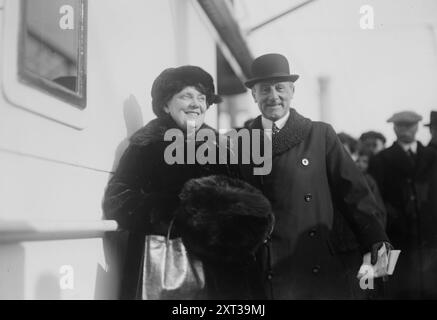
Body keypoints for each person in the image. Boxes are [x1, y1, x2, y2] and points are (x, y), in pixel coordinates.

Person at [102, 66, 272, 300]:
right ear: (165, 104)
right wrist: (178, 213)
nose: (196, 104)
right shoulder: (146, 145)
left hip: (224, 271)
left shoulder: (222, 146)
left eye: (202, 98)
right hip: (170, 265)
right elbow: (117, 200)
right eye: (186, 96)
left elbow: (248, 199)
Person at [240, 53, 391, 299]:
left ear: (292, 91)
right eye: (264, 89)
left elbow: (355, 194)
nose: (273, 96)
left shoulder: (320, 135)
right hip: (263, 265)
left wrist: (377, 243)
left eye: (280, 88)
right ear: (254, 95)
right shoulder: (241, 142)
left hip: (314, 260)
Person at [368, 111, 437, 299]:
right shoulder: (380, 160)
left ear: (417, 127)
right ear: (394, 128)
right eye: (401, 125)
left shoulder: (432, 157)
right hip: (397, 238)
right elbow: (375, 200)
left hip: (430, 240)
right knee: (400, 290)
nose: (405, 130)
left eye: (410, 125)